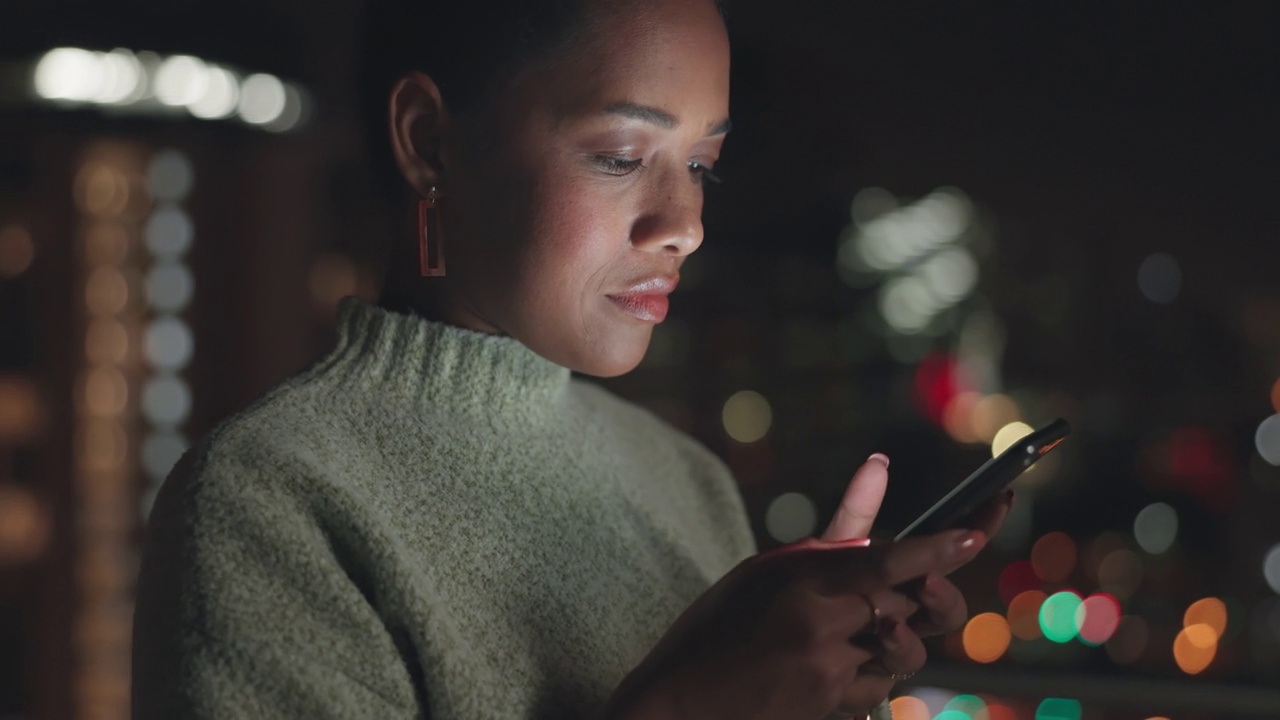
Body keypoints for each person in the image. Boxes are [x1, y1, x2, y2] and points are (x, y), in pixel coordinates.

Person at [131, 0, 1011, 718]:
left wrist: (804, 681)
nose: (686, 224)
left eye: (703, 164)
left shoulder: (685, 481)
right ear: (429, 141)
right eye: (623, 157)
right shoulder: (271, 500)